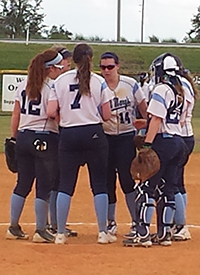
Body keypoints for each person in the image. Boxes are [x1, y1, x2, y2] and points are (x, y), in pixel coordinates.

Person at [47, 43, 116, 245]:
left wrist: (66, 118)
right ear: (91, 59)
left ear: (73, 60)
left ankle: (60, 233)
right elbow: (106, 114)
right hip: (93, 133)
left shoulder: (60, 81)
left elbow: (51, 112)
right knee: (99, 184)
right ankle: (103, 232)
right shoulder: (98, 81)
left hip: (69, 133)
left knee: (65, 185)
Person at [123, 53, 187, 247]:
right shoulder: (180, 89)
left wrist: (147, 145)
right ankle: (165, 233)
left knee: (145, 188)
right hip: (178, 141)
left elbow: (157, 119)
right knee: (168, 189)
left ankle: (142, 233)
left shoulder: (161, 88)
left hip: (163, 141)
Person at [6, 49, 64, 243]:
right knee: (44, 186)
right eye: (58, 67)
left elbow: (16, 115)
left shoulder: (24, 85)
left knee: (22, 183)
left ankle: (13, 227)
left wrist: (14, 138)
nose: (61, 70)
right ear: (51, 69)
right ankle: (40, 229)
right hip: (45, 137)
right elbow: (53, 114)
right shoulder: (52, 87)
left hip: (23, 136)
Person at [99, 52, 147, 237]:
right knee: (107, 180)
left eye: (110, 67)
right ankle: (111, 222)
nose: (106, 71)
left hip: (126, 137)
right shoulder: (98, 86)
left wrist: (144, 130)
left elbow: (144, 109)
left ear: (118, 66)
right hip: (105, 138)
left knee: (127, 181)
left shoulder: (130, 84)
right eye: (103, 67)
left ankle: (136, 221)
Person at [48, 44, 77, 237]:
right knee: (56, 181)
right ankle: (55, 223)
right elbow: (52, 112)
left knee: (56, 181)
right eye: (65, 61)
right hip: (55, 135)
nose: (67, 65)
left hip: (54, 135)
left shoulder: (56, 82)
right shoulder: (55, 83)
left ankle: (55, 222)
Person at [171, 56, 199, 241]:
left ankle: (181, 225)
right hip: (186, 136)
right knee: (177, 181)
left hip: (178, 136)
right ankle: (178, 223)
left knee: (173, 182)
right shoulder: (185, 83)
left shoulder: (175, 85)